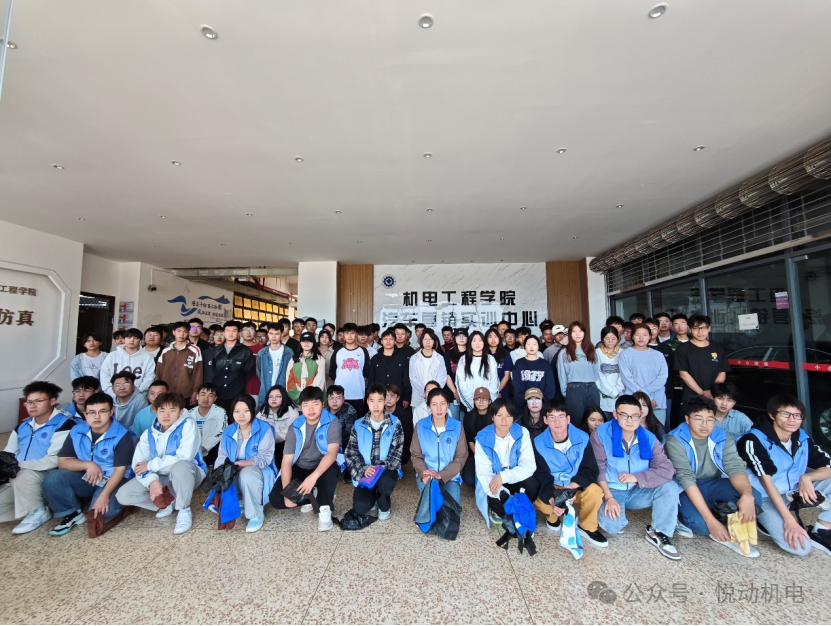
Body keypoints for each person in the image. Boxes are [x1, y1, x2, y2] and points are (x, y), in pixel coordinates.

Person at [737, 394, 831, 556]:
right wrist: (789, 520)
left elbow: (828, 465)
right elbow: (766, 482)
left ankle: (821, 530)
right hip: (764, 497)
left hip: (792, 490)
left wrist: (807, 477)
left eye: (797, 415)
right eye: (785, 414)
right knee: (801, 548)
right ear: (772, 415)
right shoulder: (753, 440)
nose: (792, 420)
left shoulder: (801, 437)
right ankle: (763, 521)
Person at [665, 397, 759, 556]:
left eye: (710, 419)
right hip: (684, 488)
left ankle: (733, 530)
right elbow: (686, 478)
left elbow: (735, 467)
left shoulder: (722, 436)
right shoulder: (675, 440)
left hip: (713, 483)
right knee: (701, 526)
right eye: (698, 419)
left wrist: (747, 495)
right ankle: (680, 516)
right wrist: (711, 521)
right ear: (687, 419)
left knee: (754, 497)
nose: (705, 424)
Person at [591, 395, 681, 560]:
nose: (630, 420)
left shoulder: (649, 437)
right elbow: (599, 469)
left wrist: (636, 477)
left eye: (634, 416)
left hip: (638, 489)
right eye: (624, 415)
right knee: (613, 526)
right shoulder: (601, 434)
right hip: (612, 489)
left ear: (641, 416)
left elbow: (667, 470)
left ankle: (658, 532)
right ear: (615, 414)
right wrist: (609, 497)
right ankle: (601, 513)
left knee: (670, 487)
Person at [42, 392, 135, 536]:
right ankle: (72, 512)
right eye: (91, 412)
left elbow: (119, 471)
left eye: (102, 411)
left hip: (114, 478)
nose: (96, 417)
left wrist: (103, 496)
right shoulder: (77, 430)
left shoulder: (122, 435)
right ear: (85, 414)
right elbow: (63, 461)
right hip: (89, 476)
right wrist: (88, 465)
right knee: (53, 478)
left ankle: (120, 502)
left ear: (111, 412)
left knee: (103, 512)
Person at [116, 392, 207, 535]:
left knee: (181, 466)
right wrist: (152, 481)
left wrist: (150, 465)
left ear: (180, 412)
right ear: (156, 412)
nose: (166, 415)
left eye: (172, 410)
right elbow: (138, 465)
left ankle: (184, 509)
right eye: (162, 410)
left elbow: (184, 457)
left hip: (187, 475)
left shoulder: (188, 425)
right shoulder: (148, 434)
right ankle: (168, 501)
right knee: (123, 495)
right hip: (160, 476)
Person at [0, 381, 75, 534]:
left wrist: (19, 466)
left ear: (52, 401)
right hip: (20, 478)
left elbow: (55, 460)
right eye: (29, 402)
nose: (32, 406)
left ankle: (36, 511)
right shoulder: (22, 426)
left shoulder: (64, 424)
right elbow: (9, 454)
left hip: (48, 477)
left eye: (38, 401)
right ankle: (36, 507)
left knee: (23, 474)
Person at [532, 399, 606, 546]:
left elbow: (590, 468)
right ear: (545, 420)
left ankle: (587, 526)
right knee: (542, 502)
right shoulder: (538, 443)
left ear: (568, 419)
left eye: (561, 416)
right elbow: (541, 475)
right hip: (554, 485)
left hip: (575, 485)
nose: (557, 422)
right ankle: (552, 517)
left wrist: (572, 487)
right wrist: (553, 499)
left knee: (595, 492)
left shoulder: (583, 438)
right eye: (552, 417)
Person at [269, 387, 341, 532]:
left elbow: (332, 454)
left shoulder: (331, 421)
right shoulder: (295, 426)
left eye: (315, 404)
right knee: (277, 499)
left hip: (323, 465)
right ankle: (313, 495)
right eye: (306, 405)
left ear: (323, 404)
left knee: (329, 472)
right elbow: (287, 461)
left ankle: (324, 508)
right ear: (301, 406)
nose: (311, 409)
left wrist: (312, 478)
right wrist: (288, 492)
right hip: (301, 466)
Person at [213, 395, 277, 533]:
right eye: (237, 411)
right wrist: (218, 474)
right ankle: (240, 501)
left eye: (246, 411)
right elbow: (222, 456)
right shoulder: (228, 431)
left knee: (247, 474)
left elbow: (265, 458)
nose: (241, 415)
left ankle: (255, 513)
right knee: (224, 472)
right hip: (234, 468)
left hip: (259, 469)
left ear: (253, 409)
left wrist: (241, 464)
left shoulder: (264, 429)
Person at [474, 398, 538, 526]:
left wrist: (503, 476)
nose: (504, 420)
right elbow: (484, 474)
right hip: (493, 480)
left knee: (532, 485)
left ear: (513, 417)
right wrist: (506, 497)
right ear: (492, 417)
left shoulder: (522, 433)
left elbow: (529, 465)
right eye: (499, 416)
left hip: (513, 477)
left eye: (508, 416)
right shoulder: (482, 438)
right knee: (499, 506)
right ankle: (516, 507)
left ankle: (518, 506)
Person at [345, 384, 405, 520]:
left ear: (384, 401)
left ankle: (384, 504)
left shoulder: (395, 423)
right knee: (360, 507)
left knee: (385, 485)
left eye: (379, 401)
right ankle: (371, 496)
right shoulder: (358, 424)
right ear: (367, 402)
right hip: (365, 471)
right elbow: (351, 452)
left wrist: (378, 468)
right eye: (372, 401)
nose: (376, 406)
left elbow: (396, 454)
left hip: (386, 469)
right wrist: (363, 469)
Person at [410, 388, 469, 505]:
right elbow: (416, 455)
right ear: (429, 406)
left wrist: (441, 475)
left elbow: (461, 457)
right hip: (427, 474)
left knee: (451, 508)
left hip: (450, 476)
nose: (439, 408)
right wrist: (424, 472)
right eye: (434, 404)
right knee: (431, 505)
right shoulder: (420, 426)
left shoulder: (457, 427)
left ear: (447, 405)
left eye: (442, 404)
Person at [619, 324, 669, 428]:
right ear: (632, 336)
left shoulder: (658, 355)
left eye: (645, 335)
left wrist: (648, 396)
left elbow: (662, 377)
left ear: (650, 337)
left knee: (658, 431)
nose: (641, 338)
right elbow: (627, 379)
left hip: (657, 400)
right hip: (634, 400)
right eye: (638, 335)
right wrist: (646, 399)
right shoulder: (625, 354)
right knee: (634, 431)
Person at [674, 314, 730, 405]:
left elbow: (722, 372)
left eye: (703, 328)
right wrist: (701, 393)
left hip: (713, 396)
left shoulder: (717, 348)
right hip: (691, 396)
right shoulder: (683, 348)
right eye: (695, 328)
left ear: (709, 329)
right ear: (690, 329)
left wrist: (712, 391)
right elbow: (683, 374)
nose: (700, 331)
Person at [203, 320, 256, 415]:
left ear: (239, 333)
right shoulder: (215, 351)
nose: (230, 334)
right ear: (224, 333)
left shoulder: (245, 351)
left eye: (234, 331)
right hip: (217, 393)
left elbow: (248, 372)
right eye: (228, 331)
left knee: (234, 418)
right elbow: (213, 371)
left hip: (236, 393)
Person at [558, 322, 600, 425]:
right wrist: (566, 393)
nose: (577, 334)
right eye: (574, 331)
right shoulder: (564, 352)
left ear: (584, 333)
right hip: (574, 389)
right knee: (577, 421)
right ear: (570, 334)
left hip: (592, 388)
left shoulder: (591, 350)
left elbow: (596, 371)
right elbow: (562, 375)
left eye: (580, 331)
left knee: (594, 420)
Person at [155, 321, 203, 405]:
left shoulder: (195, 350)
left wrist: (195, 391)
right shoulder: (166, 351)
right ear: (174, 332)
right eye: (179, 331)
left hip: (186, 394)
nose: (181, 334)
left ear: (188, 333)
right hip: (166, 392)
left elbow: (198, 372)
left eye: (185, 331)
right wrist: (158, 389)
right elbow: (159, 371)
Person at [100, 327, 156, 398]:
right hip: (113, 396)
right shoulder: (112, 355)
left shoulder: (147, 357)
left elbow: (149, 377)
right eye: (129, 337)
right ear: (124, 339)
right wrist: (112, 392)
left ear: (140, 340)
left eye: (135, 338)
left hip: (138, 396)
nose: (132, 340)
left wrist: (137, 393)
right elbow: (104, 375)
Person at [329, 323, 371, 417]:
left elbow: (366, 371)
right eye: (347, 333)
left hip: (358, 394)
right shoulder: (338, 352)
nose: (350, 336)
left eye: (352, 333)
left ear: (356, 335)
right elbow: (332, 372)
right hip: (340, 395)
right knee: (339, 421)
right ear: (343, 335)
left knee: (357, 420)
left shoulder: (363, 351)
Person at [455, 331, 500, 414]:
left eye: (480, 340)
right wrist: (472, 405)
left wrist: (487, 402)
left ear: (484, 342)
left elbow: (494, 382)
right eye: (474, 340)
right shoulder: (463, 359)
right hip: (469, 406)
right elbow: (461, 384)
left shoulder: (490, 359)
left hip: (488, 407)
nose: (477, 343)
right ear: (470, 343)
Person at [369, 328, 412, 409]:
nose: (388, 341)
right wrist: (370, 396)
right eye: (385, 339)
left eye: (391, 339)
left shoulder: (403, 359)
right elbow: (371, 380)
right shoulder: (375, 359)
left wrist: (407, 397)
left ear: (395, 342)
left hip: (398, 397)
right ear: (381, 341)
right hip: (379, 396)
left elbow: (406, 379)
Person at [257, 384, 298, 468]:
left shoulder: (292, 412)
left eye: (277, 396)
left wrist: (269, 439)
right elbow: (256, 426)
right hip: (266, 443)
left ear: (284, 397)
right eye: (271, 397)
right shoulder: (264, 410)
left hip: (284, 443)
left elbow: (287, 435)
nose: (274, 399)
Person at [187, 382, 227, 467]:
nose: (206, 398)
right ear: (197, 396)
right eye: (203, 394)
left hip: (212, 450)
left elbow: (221, 432)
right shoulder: (189, 413)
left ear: (215, 398)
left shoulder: (220, 412)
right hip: (191, 451)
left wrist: (204, 447)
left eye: (210, 396)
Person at [514, 335, 557, 412]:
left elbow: (550, 387)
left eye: (534, 344)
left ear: (538, 346)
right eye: (528, 344)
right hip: (523, 405)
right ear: (524, 346)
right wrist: (525, 402)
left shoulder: (545, 364)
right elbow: (517, 385)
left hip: (543, 405)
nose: (531, 347)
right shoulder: (519, 363)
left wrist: (543, 402)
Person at [409, 328, 448, 411]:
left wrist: (432, 393)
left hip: (436, 397)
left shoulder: (439, 358)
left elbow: (442, 377)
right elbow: (413, 378)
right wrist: (425, 393)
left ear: (434, 342)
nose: (428, 342)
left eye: (430, 339)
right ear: (421, 341)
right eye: (425, 339)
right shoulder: (414, 358)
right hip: (418, 397)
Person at [256, 322, 294, 407]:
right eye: (271, 333)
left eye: (277, 334)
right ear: (268, 334)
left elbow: (292, 373)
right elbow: (259, 371)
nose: (273, 337)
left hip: (283, 391)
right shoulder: (262, 353)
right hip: (265, 392)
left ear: (282, 334)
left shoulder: (289, 352)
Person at [462, 388, 493, 488]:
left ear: (489, 401)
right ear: (474, 401)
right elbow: (470, 440)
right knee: (469, 479)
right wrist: (479, 456)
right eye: (477, 399)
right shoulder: (468, 416)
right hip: (475, 454)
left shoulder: (495, 416)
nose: (481, 402)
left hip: (493, 455)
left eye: (484, 399)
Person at [286, 331, 327, 404]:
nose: (306, 343)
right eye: (304, 341)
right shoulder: (293, 360)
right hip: (296, 401)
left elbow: (319, 381)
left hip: (315, 400)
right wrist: (298, 398)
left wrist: (308, 398)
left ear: (313, 343)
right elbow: (289, 381)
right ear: (300, 343)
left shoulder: (320, 360)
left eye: (309, 341)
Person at [596, 326, 624, 420]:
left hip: (620, 394)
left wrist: (618, 389)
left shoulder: (623, 353)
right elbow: (598, 375)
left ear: (618, 339)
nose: (610, 341)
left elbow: (624, 373)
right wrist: (612, 392)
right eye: (607, 338)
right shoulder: (596, 353)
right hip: (603, 395)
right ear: (602, 339)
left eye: (613, 338)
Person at [384, 384, 413, 465]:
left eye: (392, 396)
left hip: (399, 452)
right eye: (386, 395)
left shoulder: (405, 416)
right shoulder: (377, 413)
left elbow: (407, 438)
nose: (389, 399)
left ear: (398, 398)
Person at [443, 328, 467, 420]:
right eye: (458, 336)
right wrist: (455, 392)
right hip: (452, 393)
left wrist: (462, 392)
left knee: (466, 422)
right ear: (454, 338)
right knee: (454, 422)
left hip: (468, 393)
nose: (461, 338)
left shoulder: (471, 353)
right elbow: (447, 374)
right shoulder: (449, 353)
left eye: (464, 336)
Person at [485, 328, 513, 400]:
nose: (493, 339)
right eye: (490, 337)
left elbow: (507, 376)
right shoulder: (483, 355)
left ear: (499, 339)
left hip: (503, 390)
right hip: (486, 391)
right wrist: (490, 392)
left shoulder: (505, 354)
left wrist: (497, 391)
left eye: (496, 336)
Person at [240, 322, 265, 400]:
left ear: (255, 333)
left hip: (256, 386)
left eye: (251, 330)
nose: (248, 333)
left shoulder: (261, 349)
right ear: (240, 333)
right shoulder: (237, 348)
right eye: (245, 330)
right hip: (239, 387)